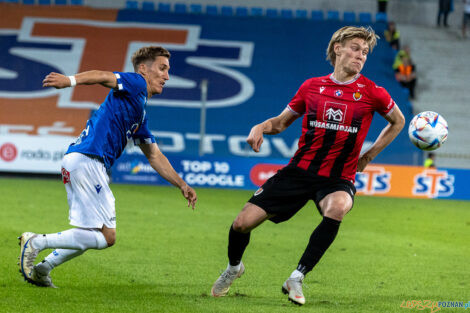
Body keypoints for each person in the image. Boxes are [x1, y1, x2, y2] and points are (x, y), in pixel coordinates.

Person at [210, 26, 405, 305]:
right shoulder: (312, 87)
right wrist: (261, 126)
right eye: (355, 48)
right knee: (242, 224)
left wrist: (368, 156)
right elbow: (280, 122)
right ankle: (233, 269)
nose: (360, 55)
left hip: (338, 177)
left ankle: (297, 277)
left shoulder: (373, 92)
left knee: (337, 207)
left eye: (365, 52)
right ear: (337, 48)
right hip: (299, 172)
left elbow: (398, 122)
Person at [18, 46, 197, 288]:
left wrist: (182, 184)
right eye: (162, 68)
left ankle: (42, 269)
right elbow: (103, 76)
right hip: (89, 160)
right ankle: (36, 243)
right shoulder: (136, 83)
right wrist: (68, 81)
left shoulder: (140, 112)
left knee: (92, 233)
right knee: (106, 236)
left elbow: (154, 155)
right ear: (144, 69)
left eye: (168, 70)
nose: (167, 76)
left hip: (80, 160)